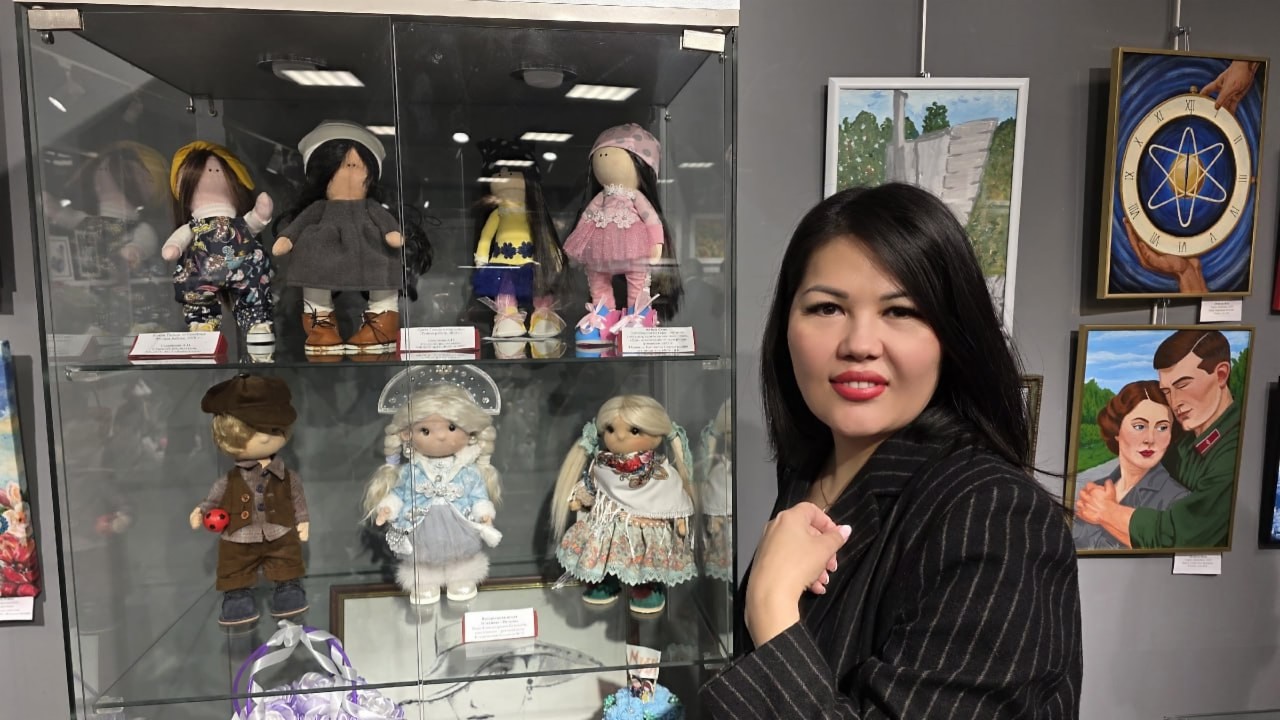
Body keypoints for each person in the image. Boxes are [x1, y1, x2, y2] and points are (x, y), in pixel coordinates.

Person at [699, 183, 1081, 718]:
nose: (859, 343)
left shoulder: (996, 518)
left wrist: (772, 608)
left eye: (900, 311)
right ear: (786, 326)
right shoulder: (811, 466)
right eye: (827, 307)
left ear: (952, 335)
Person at [1075, 329, 1239, 549]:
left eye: (1182, 385)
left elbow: (1182, 536)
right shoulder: (1185, 439)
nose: (1176, 401)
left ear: (1221, 375)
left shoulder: (1236, 448)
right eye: (1167, 391)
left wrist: (1107, 512)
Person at [1072, 380, 1189, 551]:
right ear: (1117, 430)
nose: (1150, 439)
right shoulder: (1095, 489)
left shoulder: (1178, 500)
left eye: (1162, 428)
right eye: (1139, 426)